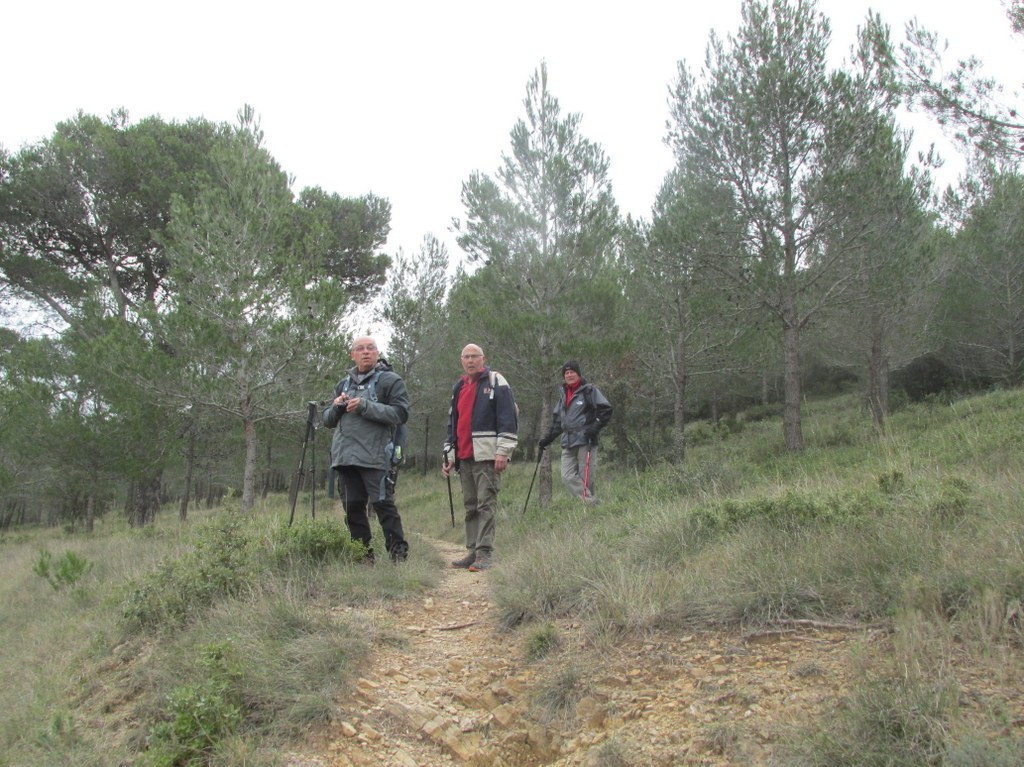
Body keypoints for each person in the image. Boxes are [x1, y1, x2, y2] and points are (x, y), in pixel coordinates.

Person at [323, 336, 410, 563]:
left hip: (375, 456)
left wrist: (365, 406)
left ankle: (398, 556)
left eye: (370, 348)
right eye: (360, 349)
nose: (365, 352)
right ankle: (363, 557)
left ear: (377, 352)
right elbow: (327, 421)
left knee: (383, 506)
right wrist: (336, 407)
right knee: (353, 510)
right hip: (345, 457)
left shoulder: (390, 381)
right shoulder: (343, 384)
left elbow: (400, 414)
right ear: (352, 355)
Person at [442, 343, 518, 571]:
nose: (471, 360)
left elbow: (508, 418)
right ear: (461, 360)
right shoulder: (459, 387)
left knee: (486, 504)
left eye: (475, 356)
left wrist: (503, 451)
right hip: (464, 457)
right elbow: (452, 424)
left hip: (487, 456)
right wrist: (449, 454)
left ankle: (484, 554)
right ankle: (472, 551)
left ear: (483, 358)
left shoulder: (496, 382)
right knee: (471, 506)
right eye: (467, 357)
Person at [538, 359, 613, 504]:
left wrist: (595, 427)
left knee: (586, 478)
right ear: (563, 376)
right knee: (567, 476)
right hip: (567, 441)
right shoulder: (563, 395)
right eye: (567, 373)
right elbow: (558, 422)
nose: (569, 375)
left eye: (572, 372)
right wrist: (548, 438)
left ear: (578, 374)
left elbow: (606, 410)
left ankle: (590, 512)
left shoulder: (589, 391)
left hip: (586, 440)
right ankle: (593, 504)